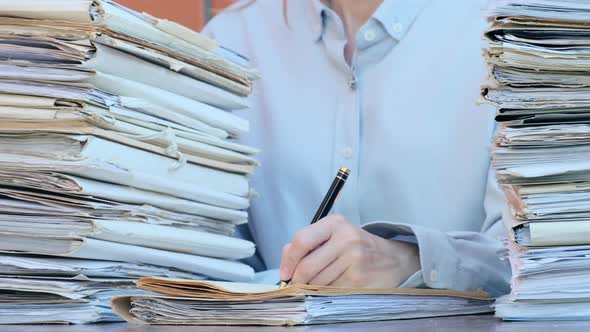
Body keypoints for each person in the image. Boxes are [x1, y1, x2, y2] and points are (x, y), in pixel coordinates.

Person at [203, 0, 511, 296]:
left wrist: (411, 262)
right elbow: (203, 268)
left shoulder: (511, 30)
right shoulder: (230, 42)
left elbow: (533, 263)